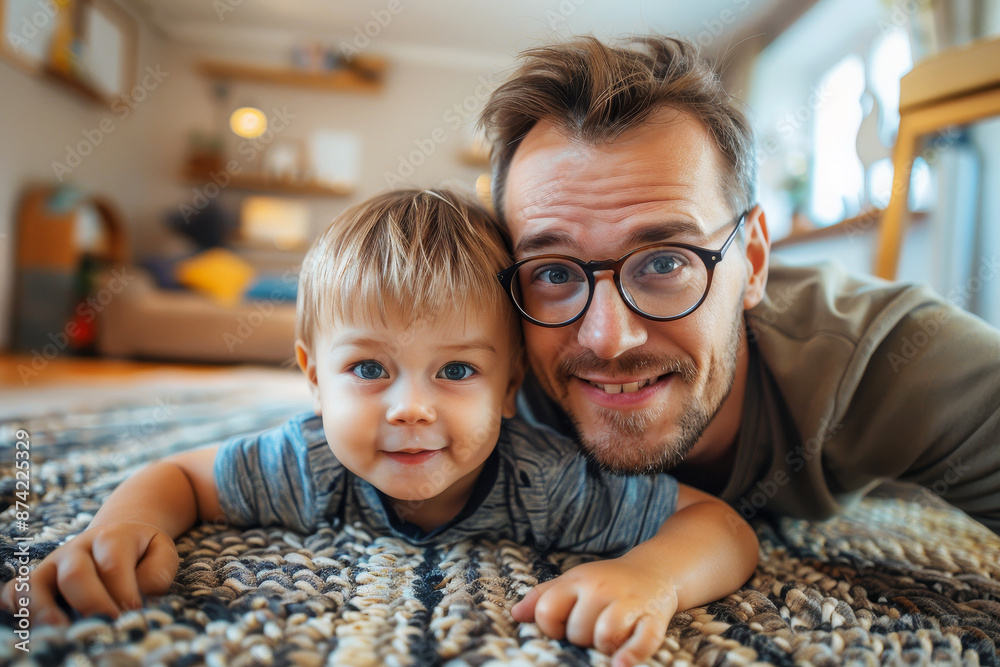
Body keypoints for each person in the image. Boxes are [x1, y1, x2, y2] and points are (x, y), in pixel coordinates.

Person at [3, 189, 759, 667]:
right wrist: (127, 523)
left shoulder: (545, 479)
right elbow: (181, 476)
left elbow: (719, 525)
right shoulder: (306, 462)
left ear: (509, 388)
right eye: (368, 369)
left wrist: (649, 576)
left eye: (456, 371)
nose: (409, 409)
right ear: (312, 377)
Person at [476, 30, 1000, 602]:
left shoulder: (884, 356)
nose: (608, 339)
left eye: (666, 261)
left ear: (752, 262)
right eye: (554, 273)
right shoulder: (483, 367)